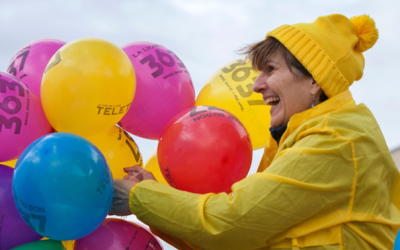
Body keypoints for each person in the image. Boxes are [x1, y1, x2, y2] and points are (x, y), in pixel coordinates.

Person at [110, 14, 400, 249]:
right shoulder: (321, 132)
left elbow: (231, 223)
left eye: (270, 70)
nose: (256, 85)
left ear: (315, 80)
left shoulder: (336, 139)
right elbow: (240, 238)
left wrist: (141, 197)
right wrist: (149, 199)